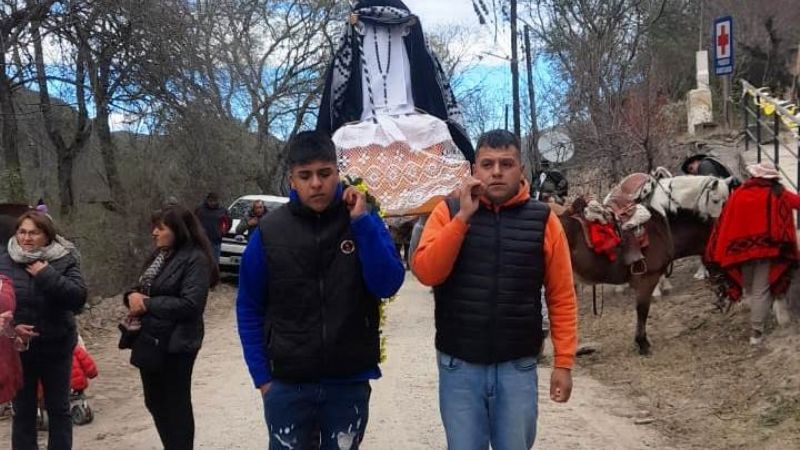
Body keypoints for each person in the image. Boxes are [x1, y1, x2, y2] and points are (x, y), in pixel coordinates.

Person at [236, 130, 405, 449]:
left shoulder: (363, 220)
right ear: (292, 179)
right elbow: (249, 307)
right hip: (286, 385)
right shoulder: (269, 232)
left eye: (324, 173)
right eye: (306, 175)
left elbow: (388, 284)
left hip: (349, 382)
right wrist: (263, 379)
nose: (316, 183)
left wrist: (362, 224)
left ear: (337, 173)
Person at [412, 129, 578, 450]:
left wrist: (563, 362)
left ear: (522, 170)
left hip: (517, 366)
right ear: (474, 170)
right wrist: (462, 218)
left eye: (507, 163)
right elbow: (428, 272)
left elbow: (561, 297)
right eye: (487, 164)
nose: (497, 172)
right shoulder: (447, 211)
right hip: (459, 365)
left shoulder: (544, 220)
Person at [124, 205, 219, 450]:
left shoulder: (195, 259)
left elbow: (191, 304)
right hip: (151, 339)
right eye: (153, 227)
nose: (154, 232)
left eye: (161, 227)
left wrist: (147, 304)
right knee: (154, 401)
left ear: (179, 230)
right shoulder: (160, 256)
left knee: (176, 404)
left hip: (178, 343)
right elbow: (141, 287)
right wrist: (131, 298)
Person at [0, 211, 87, 450]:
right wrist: (12, 328)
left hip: (56, 345)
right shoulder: (4, 260)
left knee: (58, 409)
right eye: (22, 232)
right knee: (23, 412)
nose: (26, 238)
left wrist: (46, 274)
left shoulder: (64, 258)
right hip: (19, 348)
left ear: (47, 236)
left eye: (33, 233)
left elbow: (78, 299)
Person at [706, 162, 800, 346]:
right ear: (771, 178)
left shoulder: (739, 193)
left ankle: (760, 319)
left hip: (739, 252)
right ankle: (756, 332)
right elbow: (797, 202)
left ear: (754, 176)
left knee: (749, 288)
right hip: (767, 250)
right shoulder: (777, 192)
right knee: (761, 290)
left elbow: (725, 222)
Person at [195, 192, 231, 262]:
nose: (212, 203)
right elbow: (194, 223)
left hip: (216, 241)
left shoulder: (222, 211)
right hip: (202, 241)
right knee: (201, 262)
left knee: (214, 263)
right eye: (211, 201)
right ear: (207, 200)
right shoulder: (200, 210)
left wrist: (223, 232)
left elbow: (228, 223)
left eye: (214, 201)